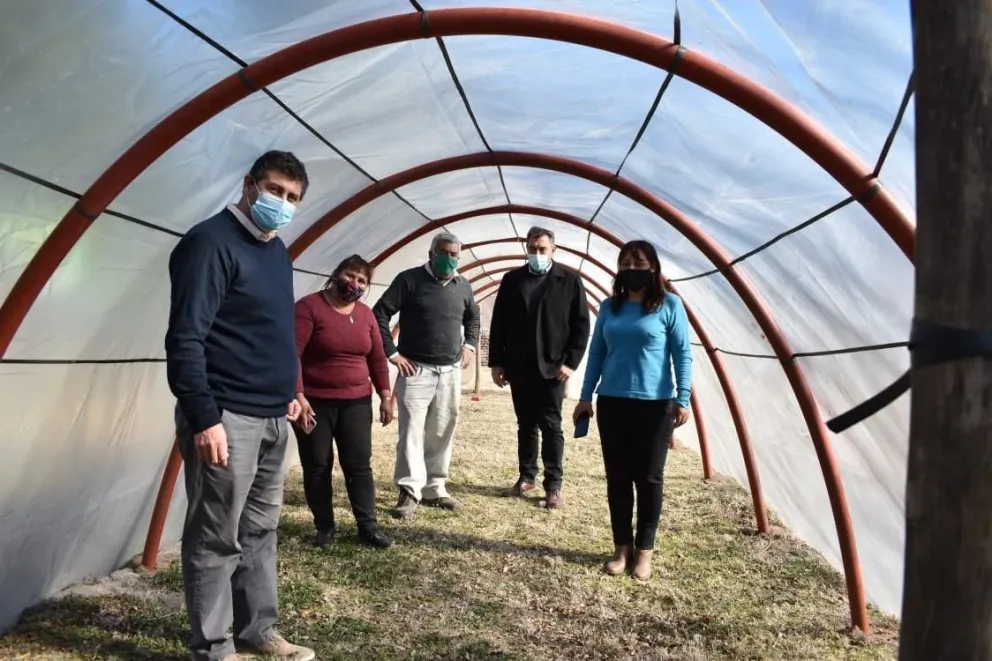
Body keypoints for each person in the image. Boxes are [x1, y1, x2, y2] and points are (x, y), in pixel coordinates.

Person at [165, 150, 315, 661]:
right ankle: (213, 648)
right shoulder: (209, 243)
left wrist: (290, 393)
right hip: (227, 415)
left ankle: (257, 630)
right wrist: (205, 417)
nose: (282, 203)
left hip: (274, 415)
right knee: (215, 536)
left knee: (259, 530)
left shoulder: (276, 251)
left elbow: (272, 333)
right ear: (249, 185)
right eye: (274, 191)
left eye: (292, 198)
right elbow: (186, 339)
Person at [572, 240, 692, 583]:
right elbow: (596, 354)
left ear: (653, 267)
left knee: (650, 478)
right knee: (618, 478)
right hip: (613, 402)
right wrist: (585, 397)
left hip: (655, 406)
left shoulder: (670, 305)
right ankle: (621, 548)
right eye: (624, 263)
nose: (631, 269)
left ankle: (645, 552)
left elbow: (682, 354)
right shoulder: (611, 307)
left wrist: (682, 398)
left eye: (638, 263)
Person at [372, 231, 480, 519]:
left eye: (454, 254)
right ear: (432, 253)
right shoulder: (409, 280)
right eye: (443, 252)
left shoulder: (462, 286)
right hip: (416, 368)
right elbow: (380, 313)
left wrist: (469, 344)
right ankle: (409, 491)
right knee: (411, 431)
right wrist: (392, 353)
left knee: (443, 427)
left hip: (449, 370)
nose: (448, 259)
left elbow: (473, 317)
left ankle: (435, 487)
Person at [292, 254, 394, 550]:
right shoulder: (309, 308)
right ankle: (324, 527)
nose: (355, 283)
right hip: (315, 404)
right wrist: (298, 395)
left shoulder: (365, 315)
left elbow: (376, 357)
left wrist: (385, 395)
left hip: (357, 403)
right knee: (317, 466)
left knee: (359, 465)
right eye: (350, 276)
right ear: (336, 274)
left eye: (362, 280)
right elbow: (291, 355)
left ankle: (368, 527)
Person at [488, 226, 590, 508]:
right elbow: (499, 323)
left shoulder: (568, 280)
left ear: (553, 250)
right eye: (532, 248)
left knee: (552, 426)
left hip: (553, 368)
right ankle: (526, 476)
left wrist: (570, 363)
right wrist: (497, 361)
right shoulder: (512, 280)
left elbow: (581, 325)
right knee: (526, 425)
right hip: (519, 366)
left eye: (542, 249)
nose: (536, 253)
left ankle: (553, 485)